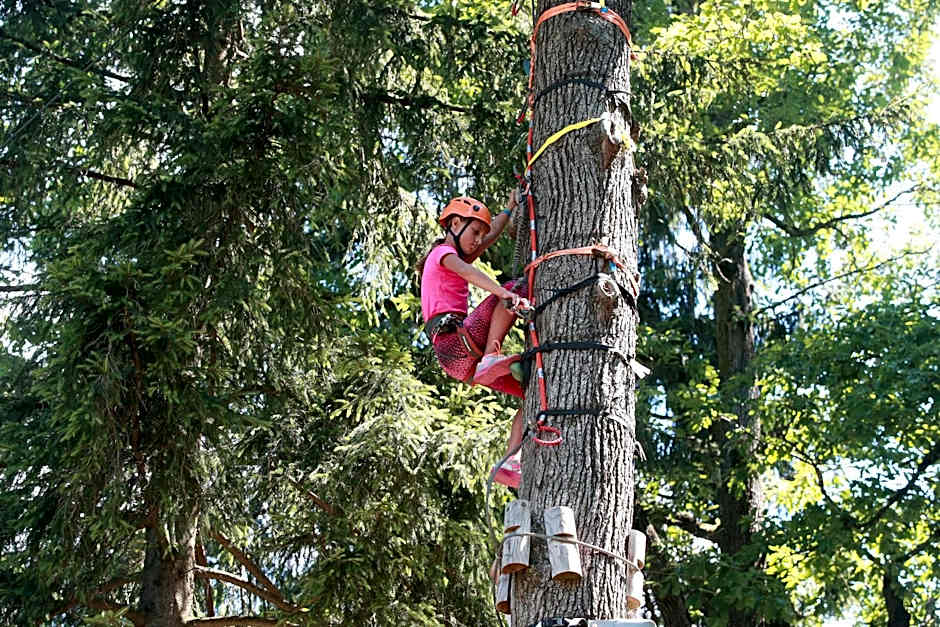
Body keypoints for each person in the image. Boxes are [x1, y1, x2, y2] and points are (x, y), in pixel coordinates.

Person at [419, 193, 529, 487]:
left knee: (530, 393)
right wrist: (502, 293)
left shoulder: (458, 250)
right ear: (455, 223)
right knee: (515, 287)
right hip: (455, 342)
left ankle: (511, 460)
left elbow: (491, 236)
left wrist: (510, 207)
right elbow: (467, 271)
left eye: (480, 234)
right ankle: (492, 355)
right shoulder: (442, 254)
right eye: (474, 231)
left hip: (461, 363)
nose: (478, 239)